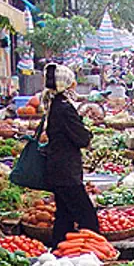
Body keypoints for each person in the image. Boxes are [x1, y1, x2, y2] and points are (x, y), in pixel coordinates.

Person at [43, 63, 99, 248]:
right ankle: (95, 252)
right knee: (88, 217)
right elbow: (81, 138)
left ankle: (58, 251)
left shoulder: (55, 104)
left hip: (57, 169)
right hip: (66, 171)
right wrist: (88, 133)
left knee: (64, 216)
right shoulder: (64, 108)